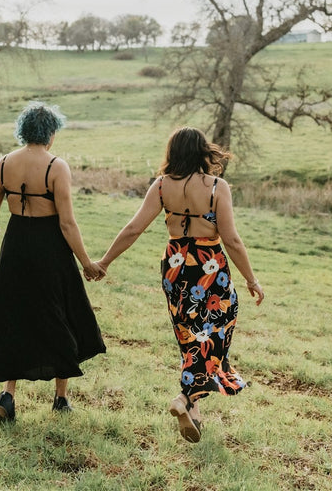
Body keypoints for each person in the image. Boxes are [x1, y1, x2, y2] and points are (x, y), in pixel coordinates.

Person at [95, 127, 264, 442]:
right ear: (201, 151)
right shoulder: (216, 187)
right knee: (215, 331)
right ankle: (185, 399)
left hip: (174, 264)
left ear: (172, 153)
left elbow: (133, 228)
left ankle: (194, 411)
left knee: (190, 335)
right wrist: (251, 279)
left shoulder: (161, 187)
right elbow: (232, 239)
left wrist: (105, 261)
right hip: (209, 264)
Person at [0, 101, 106, 422]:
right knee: (60, 313)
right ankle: (61, 398)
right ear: (50, 132)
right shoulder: (56, 166)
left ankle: (7, 394)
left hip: (15, 247)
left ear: (23, 130)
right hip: (50, 248)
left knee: (14, 315)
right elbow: (67, 223)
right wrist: (87, 262)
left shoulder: (3, 164)